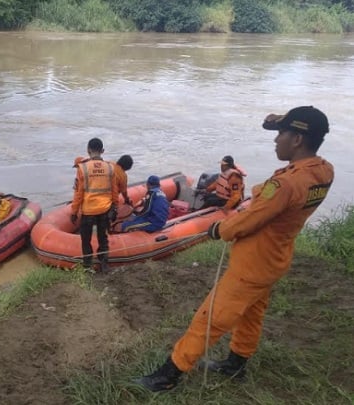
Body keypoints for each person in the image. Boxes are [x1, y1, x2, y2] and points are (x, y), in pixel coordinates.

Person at [136, 106, 334, 392]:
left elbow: (245, 223)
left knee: (210, 318)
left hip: (252, 266)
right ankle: (236, 364)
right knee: (252, 314)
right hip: (276, 258)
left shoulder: (284, 184)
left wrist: (219, 229)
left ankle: (169, 374)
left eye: (281, 133)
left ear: (298, 139)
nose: (276, 139)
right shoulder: (323, 171)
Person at [70, 137, 119, 272]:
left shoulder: (82, 168)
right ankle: (104, 265)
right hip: (105, 209)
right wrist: (115, 207)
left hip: (88, 211)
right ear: (102, 151)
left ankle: (87, 266)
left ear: (88, 150)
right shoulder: (110, 167)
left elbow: (78, 194)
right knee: (103, 239)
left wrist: (74, 212)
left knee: (86, 240)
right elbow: (115, 190)